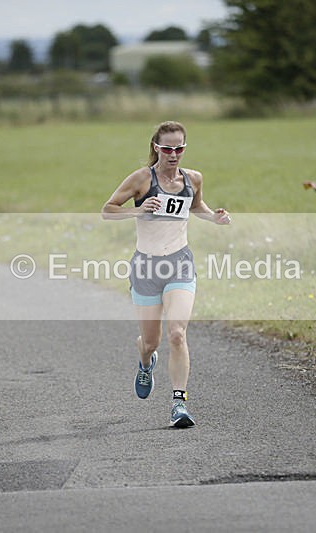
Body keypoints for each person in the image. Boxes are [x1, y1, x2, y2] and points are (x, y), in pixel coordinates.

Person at [101, 121, 231, 428]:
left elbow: (196, 205)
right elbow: (107, 210)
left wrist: (214, 217)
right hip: (146, 267)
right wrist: (140, 208)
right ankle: (146, 362)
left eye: (180, 148)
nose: (174, 154)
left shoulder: (193, 178)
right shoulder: (141, 179)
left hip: (180, 264)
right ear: (156, 147)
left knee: (177, 333)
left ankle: (178, 404)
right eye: (168, 148)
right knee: (150, 341)